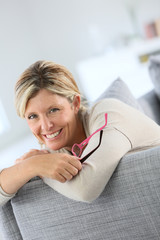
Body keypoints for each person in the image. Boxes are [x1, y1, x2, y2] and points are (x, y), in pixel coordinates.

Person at [0, 60, 160, 206]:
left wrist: (38, 166)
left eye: (54, 110)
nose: (46, 126)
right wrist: (29, 166)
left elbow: (86, 188)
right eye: (33, 116)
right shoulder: (54, 151)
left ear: (75, 103)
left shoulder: (109, 114)